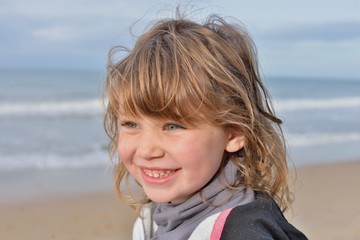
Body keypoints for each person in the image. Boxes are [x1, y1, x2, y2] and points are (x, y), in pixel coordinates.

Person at [104, 11, 308, 240]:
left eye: (172, 126)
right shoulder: (153, 218)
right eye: (131, 124)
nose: (146, 150)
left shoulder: (242, 232)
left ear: (234, 133)